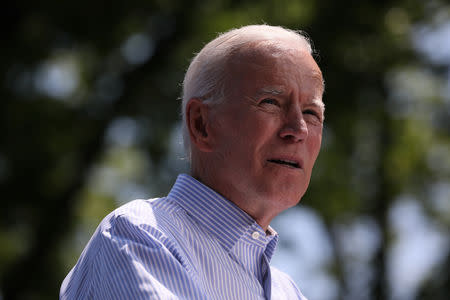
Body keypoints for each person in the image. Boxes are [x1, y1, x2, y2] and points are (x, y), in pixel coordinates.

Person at [60, 24, 325, 300]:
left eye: (311, 113)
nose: (298, 129)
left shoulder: (289, 292)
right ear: (201, 124)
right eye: (270, 102)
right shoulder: (141, 236)